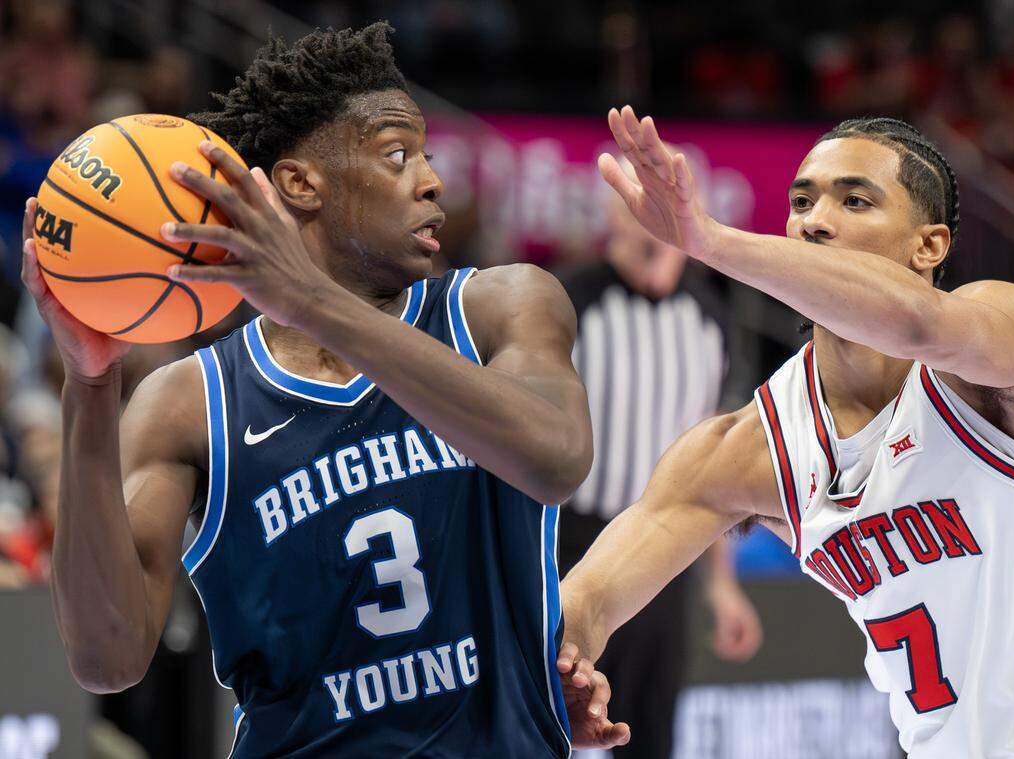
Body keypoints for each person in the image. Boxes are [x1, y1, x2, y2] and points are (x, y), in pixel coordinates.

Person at [21, 24, 628, 757]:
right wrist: (90, 385)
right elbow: (106, 659)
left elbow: (556, 459)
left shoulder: (498, 308)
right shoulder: (190, 401)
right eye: (398, 155)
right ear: (301, 184)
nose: (431, 181)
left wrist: (311, 303)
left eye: (427, 157)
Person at [558, 106, 1014, 758]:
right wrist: (564, 673)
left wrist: (711, 241)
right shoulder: (755, 448)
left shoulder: (1004, 340)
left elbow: (918, 323)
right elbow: (589, 598)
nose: (814, 220)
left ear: (929, 246)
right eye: (801, 201)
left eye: (854, 200)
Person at [556, 159, 761, 758]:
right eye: (637, 203)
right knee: (549, 717)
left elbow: (713, 464)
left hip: (665, 552)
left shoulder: (711, 316)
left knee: (649, 732)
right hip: (568, 544)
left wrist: (721, 586)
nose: (651, 220)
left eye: (666, 203)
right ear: (613, 213)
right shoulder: (568, 299)